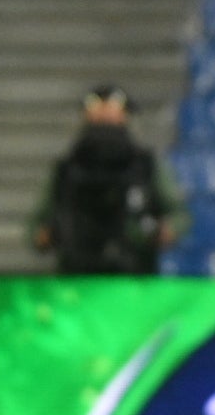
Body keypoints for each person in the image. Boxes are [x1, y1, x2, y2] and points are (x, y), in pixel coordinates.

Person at [28, 84, 191, 275]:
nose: (105, 116)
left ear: (126, 116)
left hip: (134, 277)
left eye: (113, 109)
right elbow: (36, 227)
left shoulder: (147, 167)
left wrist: (161, 231)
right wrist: (50, 234)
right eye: (98, 109)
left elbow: (179, 216)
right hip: (77, 278)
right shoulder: (66, 170)